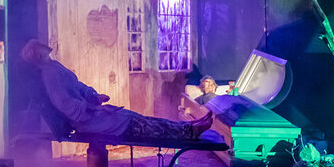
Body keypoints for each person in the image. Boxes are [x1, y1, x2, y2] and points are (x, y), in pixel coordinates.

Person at [21, 39, 213, 140]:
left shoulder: (54, 67)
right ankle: (188, 132)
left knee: (137, 118)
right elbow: (65, 104)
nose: (44, 47)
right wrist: (90, 109)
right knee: (136, 123)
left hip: (93, 114)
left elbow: (77, 86)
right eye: (39, 48)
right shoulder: (49, 74)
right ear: (37, 54)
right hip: (85, 122)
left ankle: (188, 128)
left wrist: (93, 95)